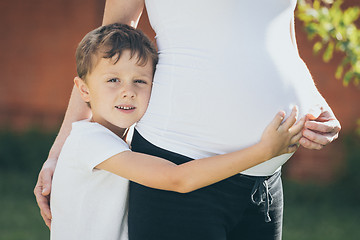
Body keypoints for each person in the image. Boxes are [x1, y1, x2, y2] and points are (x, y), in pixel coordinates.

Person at [35, 1, 341, 239]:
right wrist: (56, 155)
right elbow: (107, 46)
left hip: (264, 181)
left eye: (137, 83)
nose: (126, 91)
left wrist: (314, 101)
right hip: (180, 159)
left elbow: (282, 39)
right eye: (117, 83)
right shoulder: (91, 143)